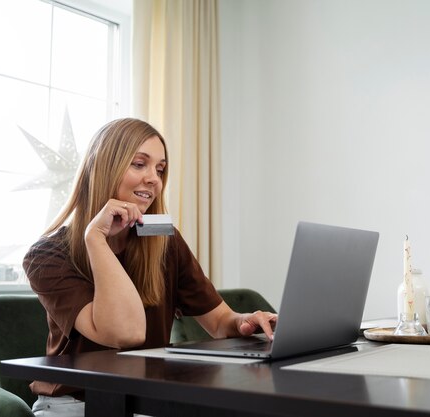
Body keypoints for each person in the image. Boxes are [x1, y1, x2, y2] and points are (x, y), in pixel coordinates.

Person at [23, 118, 277, 416]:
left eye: (160, 169)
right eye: (139, 164)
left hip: (146, 400)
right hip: (75, 404)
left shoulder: (164, 243)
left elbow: (220, 322)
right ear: (104, 167)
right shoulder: (46, 256)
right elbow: (125, 333)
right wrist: (96, 239)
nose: (154, 178)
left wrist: (244, 321)